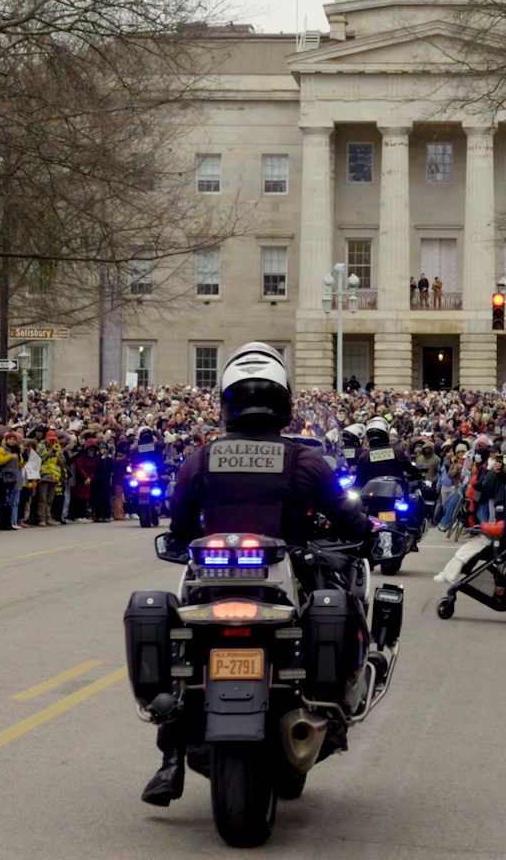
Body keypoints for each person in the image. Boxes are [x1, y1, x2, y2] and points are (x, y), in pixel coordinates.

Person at [145, 342, 371, 807]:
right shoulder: (307, 461)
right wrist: (372, 534)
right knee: (335, 605)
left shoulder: (199, 460)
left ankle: (170, 758)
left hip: (210, 582)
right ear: (284, 401)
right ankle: (327, 710)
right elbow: (350, 521)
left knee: (180, 657)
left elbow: (182, 526)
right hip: (283, 580)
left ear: (226, 402)